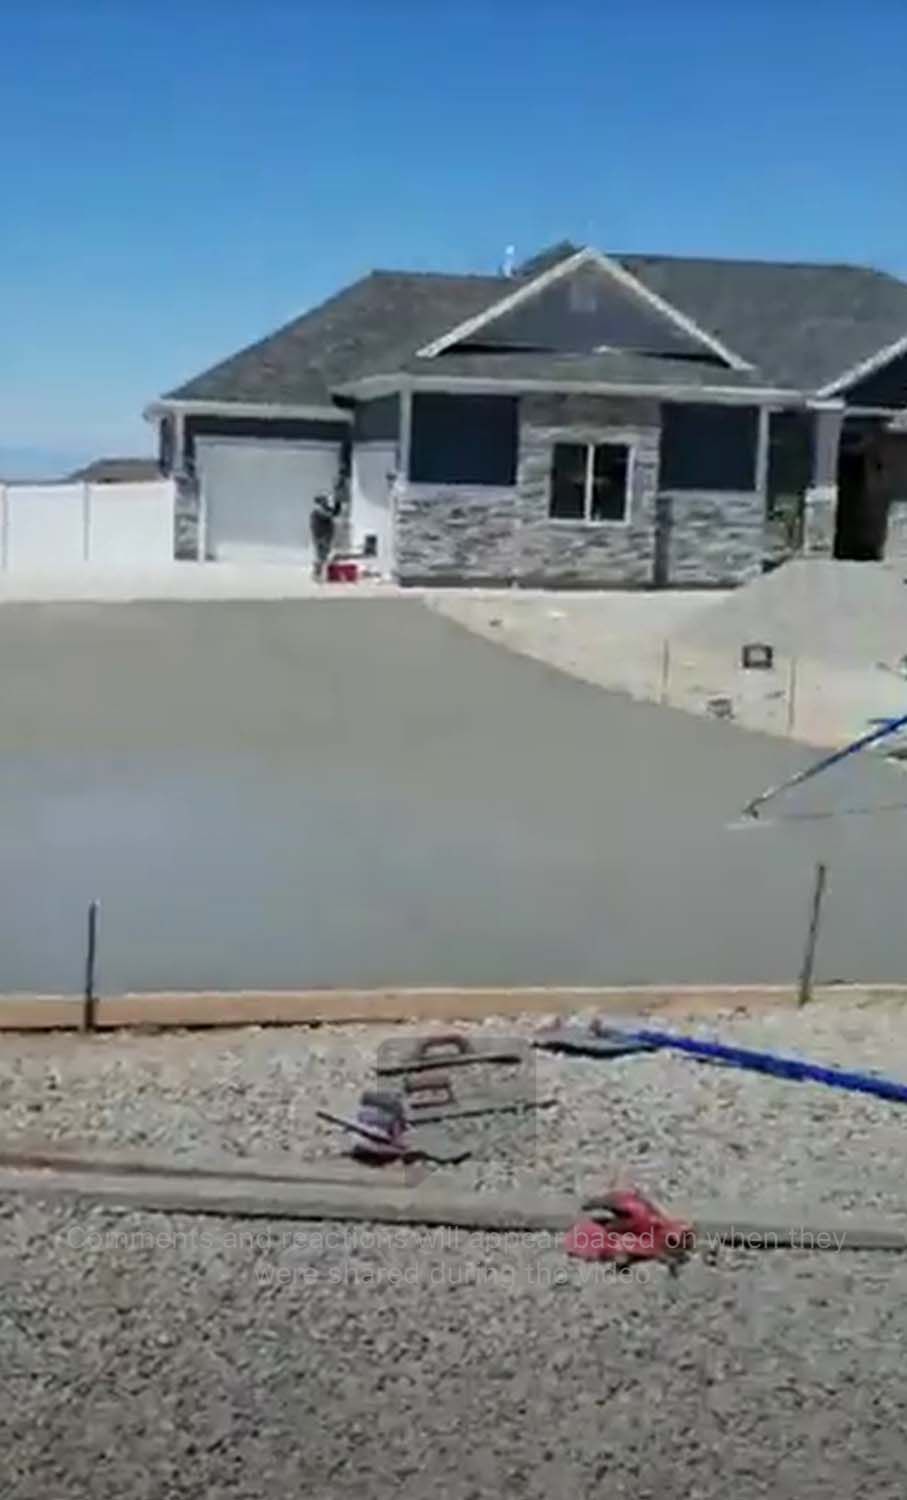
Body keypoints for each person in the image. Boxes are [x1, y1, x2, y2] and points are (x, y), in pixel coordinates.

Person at [309, 492, 337, 580]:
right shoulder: (319, 509)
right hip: (321, 537)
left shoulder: (322, 509)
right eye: (324, 500)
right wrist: (336, 507)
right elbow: (329, 515)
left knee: (323, 556)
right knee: (321, 556)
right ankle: (316, 574)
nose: (326, 501)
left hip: (323, 536)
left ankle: (319, 574)